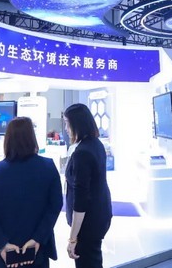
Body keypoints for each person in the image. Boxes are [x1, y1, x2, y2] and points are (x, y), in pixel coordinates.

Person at [0, 117, 62, 268]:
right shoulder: (48, 167)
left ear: (8, 140)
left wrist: (2, 244)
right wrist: (37, 238)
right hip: (36, 255)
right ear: (32, 138)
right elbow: (55, 207)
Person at [64, 104, 112, 268]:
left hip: (87, 224)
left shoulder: (82, 153)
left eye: (67, 124)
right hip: (98, 216)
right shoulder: (95, 144)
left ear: (77, 124)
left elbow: (81, 199)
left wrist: (73, 238)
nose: (66, 129)